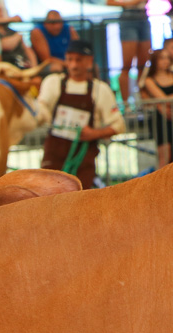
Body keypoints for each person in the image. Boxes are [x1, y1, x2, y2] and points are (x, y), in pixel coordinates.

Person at [38, 40, 125, 190]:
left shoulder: (100, 90)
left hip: (83, 162)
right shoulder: (53, 83)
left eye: (78, 60)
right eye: (70, 59)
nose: (73, 65)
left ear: (89, 61)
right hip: (53, 159)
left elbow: (119, 125)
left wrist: (94, 133)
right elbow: (40, 111)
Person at [107, 0, 150, 107]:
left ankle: (143, 103)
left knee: (144, 66)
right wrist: (131, 3)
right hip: (128, 16)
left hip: (144, 15)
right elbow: (108, 2)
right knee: (127, 65)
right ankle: (126, 106)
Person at [143, 49, 173, 167]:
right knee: (165, 157)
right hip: (161, 121)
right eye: (161, 58)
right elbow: (163, 98)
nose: (165, 61)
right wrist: (162, 103)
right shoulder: (149, 80)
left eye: (167, 57)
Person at [0, 0, 36, 69]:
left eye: (0, 10)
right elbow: (5, 45)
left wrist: (34, 67)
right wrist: (18, 36)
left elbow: (28, 50)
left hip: (23, 65)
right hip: (8, 67)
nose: (0, 14)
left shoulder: (11, 31)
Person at [30, 10, 78, 75]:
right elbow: (47, 59)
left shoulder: (69, 29)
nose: (57, 26)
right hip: (47, 65)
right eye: (53, 23)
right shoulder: (37, 32)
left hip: (69, 62)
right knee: (56, 68)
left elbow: (78, 50)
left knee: (90, 66)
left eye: (59, 22)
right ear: (46, 23)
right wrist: (67, 64)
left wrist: (74, 62)